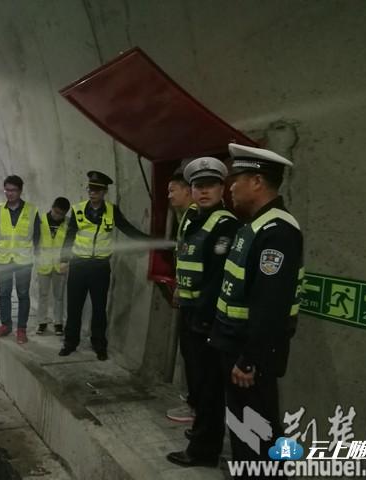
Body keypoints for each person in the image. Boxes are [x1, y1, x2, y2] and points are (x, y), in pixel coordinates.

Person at [210, 143, 304, 469]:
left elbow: (270, 306)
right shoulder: (254, 225)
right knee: (244, 429)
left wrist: (249, 359)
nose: (231, 187)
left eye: (236, 179)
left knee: (258, 432)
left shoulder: (278, 232)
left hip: (250, 355)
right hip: (236, 344)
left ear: (257, 182)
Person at [166, 157, 241, 467]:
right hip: (190, 311)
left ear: (222, 188)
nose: (203, 191)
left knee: (209, 385)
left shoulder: (225, 224)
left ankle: (204, 450)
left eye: (210, 185)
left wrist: (204, 318)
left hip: (207, 318)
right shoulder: (193, 218)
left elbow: (217, 277)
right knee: (197, 381)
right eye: (198, 186)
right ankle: (202, 432)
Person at [59, 171, 150, 361]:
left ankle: (99, 344)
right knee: (74, 307)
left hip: (100, 267)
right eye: (90, 189)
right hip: (78, 265)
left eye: (97, 190)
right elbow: (70, 236)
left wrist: (149, 240)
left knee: (99, 308)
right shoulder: (77, 209)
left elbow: (127, 228)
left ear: (104, 192)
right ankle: (70, 342)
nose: (92, 193)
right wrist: (63, 260)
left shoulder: (111, 210)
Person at [165, 171, 200, 423]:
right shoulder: (187, 216)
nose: (169, 196)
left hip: (196, 301)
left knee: (195, 355)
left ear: (187, 191)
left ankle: (196, 405)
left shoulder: (194, 217)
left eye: (172, 190)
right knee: (190, 353)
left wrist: (182, 287)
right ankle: (194, 399)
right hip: (189, 296)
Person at [0, 175, 40, 344]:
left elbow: (37, 235)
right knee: (4, 293)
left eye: (13, 190)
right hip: (3, 258)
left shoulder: (32, 210)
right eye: (7, 190)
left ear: (20, 191)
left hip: (24, 260)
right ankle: (5, 325)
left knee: (23, 294)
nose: (10, 193)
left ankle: (21, 329)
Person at [36, 197, 71, 335]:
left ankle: (58, 323)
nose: (57, 216)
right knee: (43, 294)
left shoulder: (68, 223)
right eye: (56, 212)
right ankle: (42, 322)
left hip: (60, 264)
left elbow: (69, 243)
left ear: (65, 213)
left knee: (59, 296)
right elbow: (35, 239)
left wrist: (66, 260)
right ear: (52, 207)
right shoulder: (40, 220)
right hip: (43, 263)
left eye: (61, 214)